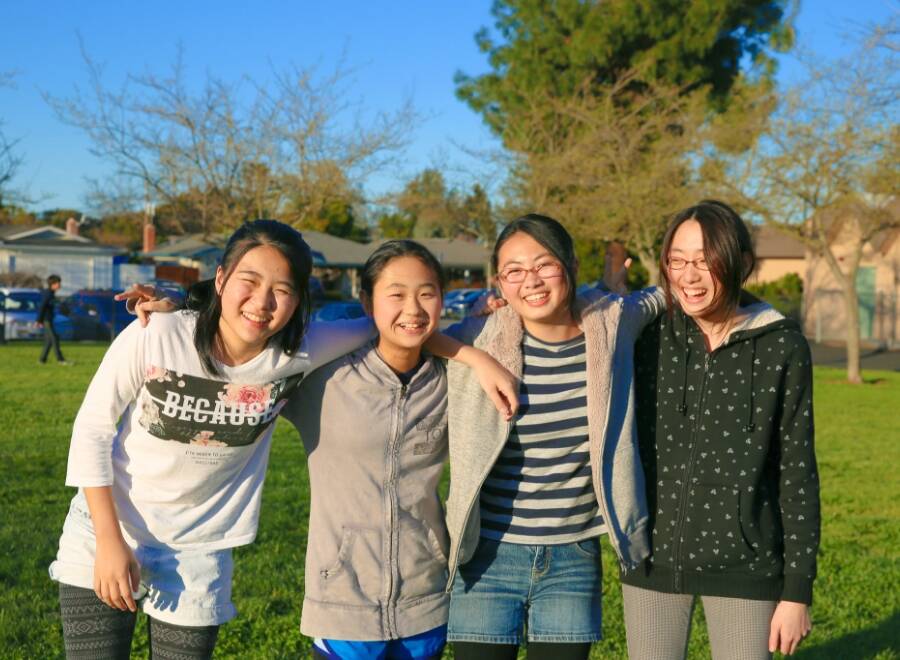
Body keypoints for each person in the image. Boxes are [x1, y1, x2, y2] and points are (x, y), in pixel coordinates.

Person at [49, 220, 380, 659]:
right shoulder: (158, 333)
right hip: (105, 530)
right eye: (249, 281)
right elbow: (92, 429)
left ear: (299, 299)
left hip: (199, 552)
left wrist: (464, 345)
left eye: (282, 289)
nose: (262, 302)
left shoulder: (300, 351)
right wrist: (110, 542)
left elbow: (389, 323)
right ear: (221, 279)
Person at [442, 214, 665, 660]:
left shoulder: (612, 322)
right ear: (499, 282)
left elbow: (669, 292)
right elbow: (412, 334)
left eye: (544, 264)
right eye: (514, 271)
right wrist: (476, 359)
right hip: (488, 556)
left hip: (572, 558)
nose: (531, 281)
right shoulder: (483, 334)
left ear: (571, 265)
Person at [620, 200, 820, 659]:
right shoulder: (649, 335)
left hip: (746, 565)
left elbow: (797, 471)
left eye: (704, 261)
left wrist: (797, 590)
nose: (689, 276)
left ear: (741, 263)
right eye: (677, 260)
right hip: (651, 558)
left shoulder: (782, 346)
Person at [282, 240, 462, 659]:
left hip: (426, 596)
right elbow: (243, 345)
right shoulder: (324, 376)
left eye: (427, 293)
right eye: (396, 294)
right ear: (367, 302)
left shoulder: (451, 378)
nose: (413, 309)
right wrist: (178, 310)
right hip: (343, 599)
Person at [38, 273, 68, 365]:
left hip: (49, 319)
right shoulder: (48, 294)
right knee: (55, 339)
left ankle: (42, 360)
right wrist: (39, 320)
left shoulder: (51, 294)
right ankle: (60, 360)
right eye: (58, 283)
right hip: (46, 320)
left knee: (49, 341)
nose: (60, 285)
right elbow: (42, 307)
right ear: (53, 284)